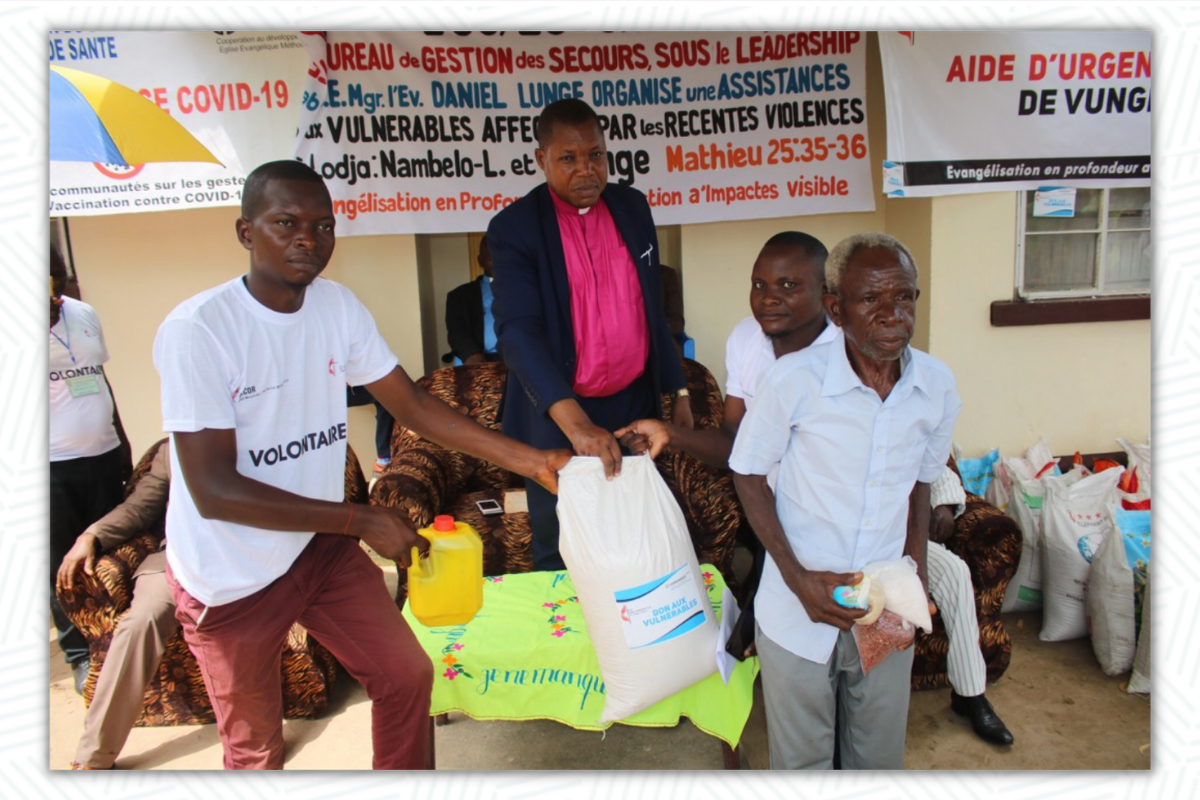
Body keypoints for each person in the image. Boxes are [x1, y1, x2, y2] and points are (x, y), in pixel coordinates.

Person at [152, 160, 569, 770]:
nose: (308, 239)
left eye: (323, 226)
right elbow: (213, 490)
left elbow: (417, 407)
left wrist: (532, 461)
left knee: (405, 676)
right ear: (246, 232)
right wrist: (360, 519)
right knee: (256, 750)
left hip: (316, 551)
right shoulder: (200, 331)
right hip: (230, 574)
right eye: (286, 223)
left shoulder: (336, 307)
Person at [729, 232, 961, 770]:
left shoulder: (937, 386)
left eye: (903, 297)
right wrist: (795, 577)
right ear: (836, 309)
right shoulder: (793, 382)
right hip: (797, 609)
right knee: (802, 764)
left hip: (886, 602)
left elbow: (920, 487)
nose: (891, 314)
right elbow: (747, 473)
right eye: (870, 299)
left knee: (876, 760)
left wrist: (916, 581)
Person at [486, 98, 691, 571]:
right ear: (541, 160)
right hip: (559, 411)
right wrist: (575, 423)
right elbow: (517, 332)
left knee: (637, 532)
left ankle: (636, 635)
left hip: (633, 404)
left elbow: (649, 308)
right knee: (562, 542)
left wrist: (675, 386)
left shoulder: (632, 207)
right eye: (568, 158)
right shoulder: (515, 228)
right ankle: (568, 642)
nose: (586, 170)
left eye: (595, 155)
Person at [58, 444, 174, 770]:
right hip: (179, 558)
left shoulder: (266, 435)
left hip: (250, 559)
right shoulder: (174, 447)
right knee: (141, 622)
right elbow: (139, 507)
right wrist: (92, 536)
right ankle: (95, 757)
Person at [50, 245, 132, 695]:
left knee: (107, 555)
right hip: (49, 466)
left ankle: (114, 643)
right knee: (60, 565)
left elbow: (98, 376)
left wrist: (121, 439)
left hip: (102, 453)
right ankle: (80, 654)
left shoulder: (82, 313)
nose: (56, 288)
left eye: (59, 275)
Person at [928, 469, 1015, 745]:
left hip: (907, 538)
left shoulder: (906, 426)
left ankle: (970, 697)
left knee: (955, 571)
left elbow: (937, 467)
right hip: (850, 545)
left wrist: (944, 505)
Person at [444, 234, 502, 365]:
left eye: (502, 256)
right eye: (491, 258)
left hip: (516, 360)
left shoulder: (524, 290)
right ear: (480, 261)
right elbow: (456, 332)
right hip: (477, 360)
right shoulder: (459, 296)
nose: (498, 262)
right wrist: (472, 355)